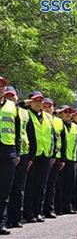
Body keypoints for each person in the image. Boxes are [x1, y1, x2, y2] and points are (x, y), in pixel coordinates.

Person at [23, 91, 53, 224]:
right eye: (35, 100)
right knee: (30, 184)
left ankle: (38, 211)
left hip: (45, 154)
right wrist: (26, 103)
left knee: (41, 185)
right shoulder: (25, 113)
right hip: (31, 155)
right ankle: (28, 213)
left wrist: (52, 153)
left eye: (41, 100)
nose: (38, 103)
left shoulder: (48, 117)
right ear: (30, 101)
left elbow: (52, 136)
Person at [6, 86, 29, 229]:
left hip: (22, 153)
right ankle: (6, 218)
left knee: (18, 187)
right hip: (8, 151)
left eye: (12, 96)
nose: (10, 98)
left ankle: (16, 218)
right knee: (6, 187)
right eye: (7, 95)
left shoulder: (24, 113)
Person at [0, 76, 21, 235]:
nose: (0, 88)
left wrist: (18, 152)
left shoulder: (12, 106)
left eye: (2, 85)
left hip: (8, 150)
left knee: (5, 188)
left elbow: (18, 130)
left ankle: (1, 222)